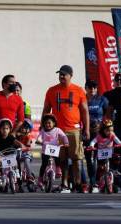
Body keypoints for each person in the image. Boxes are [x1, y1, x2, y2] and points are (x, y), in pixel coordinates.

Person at [42, 65, 90, 193]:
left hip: (74, 130)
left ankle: (78, 183)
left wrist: (87, 129)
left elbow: (85, 111)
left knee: (76, 158)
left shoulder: (78, 90)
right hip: (57, 131)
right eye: (60, 74)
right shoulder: (52, 91)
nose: (62, 76)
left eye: (64, 74)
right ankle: (64, 184)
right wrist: (44, 128)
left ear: (71, 75)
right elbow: (46, 110)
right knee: (62, 159)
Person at [84, 80, 108, 193]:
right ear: (86, 88)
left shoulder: (102, 100)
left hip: (100, 133)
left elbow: (109, 113)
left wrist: (104, 125)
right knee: (89, 158)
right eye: (90, 87)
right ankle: (92, 182)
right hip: (87, 133)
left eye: (94, 87)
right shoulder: (82, 99)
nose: (92, 90)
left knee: (101, 158)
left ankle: (100, 181)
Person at [0, 75, 24, 140]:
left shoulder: (18, 99)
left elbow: (21, 120)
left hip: (10, 135)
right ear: (4, 84)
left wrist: (14, 132)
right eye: (11, 82)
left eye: (15, 82)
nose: (14, 84)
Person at [36, 114, 69, 189]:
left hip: (55, 149)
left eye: (49, 123)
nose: (47, 125)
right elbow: (39, 137)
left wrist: (66, 142)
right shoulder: (43, 131)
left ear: (54, 123)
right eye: (46, 123)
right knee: (44, 164)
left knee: (57, 158)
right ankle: (40, 179)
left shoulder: (57, 130)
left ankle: (58, 169)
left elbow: (64, 136)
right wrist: (39, 141)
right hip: (45, 150)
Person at [0, 118, 25, 189]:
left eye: (7, 128)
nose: (5, 130)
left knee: (17, 162)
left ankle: (18, 179)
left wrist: (22, 146)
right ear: (0, 129)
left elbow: (16, 142)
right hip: (1, 154)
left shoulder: (10, 137)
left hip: (11, 154)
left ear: (10, 129)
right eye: (3, 128)